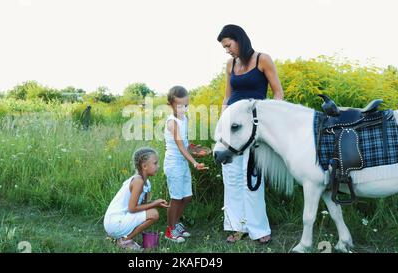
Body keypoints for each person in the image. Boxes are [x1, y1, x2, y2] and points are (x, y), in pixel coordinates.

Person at [217, 24, 284, 244]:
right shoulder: (230, 64)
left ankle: (258, 228)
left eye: (228, 45)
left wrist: (270, 120)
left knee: (251, 177)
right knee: (232, 178)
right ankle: (237, 227)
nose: (227, 50)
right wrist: (222, 122)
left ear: (239, 39)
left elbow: (277, 93)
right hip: (232, 126)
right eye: (224, 47)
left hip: (254, 127)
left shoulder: (262, 59)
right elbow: (228, 97)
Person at [163, 86, 208, 243]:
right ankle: (170, 230)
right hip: (173, 164)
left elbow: (186, 144)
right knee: (176, 198)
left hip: (182, 163)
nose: (183, 109)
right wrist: (195, 163)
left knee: (187, 197)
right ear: (171, 105)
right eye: (180, 106)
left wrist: (195, 149)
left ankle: (175, 224)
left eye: (186, 105)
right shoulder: (172, 123)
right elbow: (180, 147)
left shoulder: (184, 119)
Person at [103, 147, 169, 250]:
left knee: (151, 211)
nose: (158, 166)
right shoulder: (138, 181)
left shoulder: (146, 183)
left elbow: (143, 207)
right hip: (114, 222)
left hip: (120, 219)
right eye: (155, 163)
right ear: (144, 166)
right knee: (154, 214)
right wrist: (155, 203)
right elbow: (132, 208)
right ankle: (124, 240)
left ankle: (119, 237)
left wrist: (156, 203)